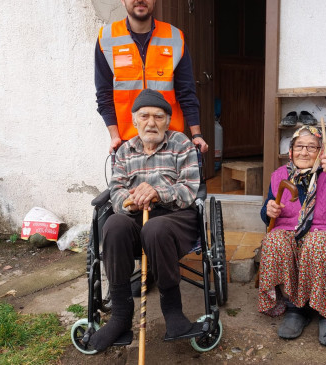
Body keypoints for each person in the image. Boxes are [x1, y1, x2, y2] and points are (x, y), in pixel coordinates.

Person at [89, 89, 201, 351]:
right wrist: (128, 202)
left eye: (159, 117)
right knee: (114, 225)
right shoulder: (126, 151)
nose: (151, 122)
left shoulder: (181, 144)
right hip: (135, 215)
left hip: (174, 216)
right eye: (145, 116)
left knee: (155, 228)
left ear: (167, 120)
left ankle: (173, 314)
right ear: (135, 119)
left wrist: (158, 192)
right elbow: (116, 191)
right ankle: (120, 316)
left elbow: (189, 190)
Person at [258, 126, 326, 347]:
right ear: (290, 150)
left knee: (315, 244)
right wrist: (268, 210)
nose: (304, 152)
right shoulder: (279, 175)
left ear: (320, 151)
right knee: (274, 240)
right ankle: (296, 309)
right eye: (299, 146)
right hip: (289, 232)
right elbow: (268, 215)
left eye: (311, 147)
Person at [95, 0, 208, 154]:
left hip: (170, 142)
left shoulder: (175, 37)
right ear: (122, 1)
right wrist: (115, 137)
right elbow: (104, 94)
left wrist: (197, 134)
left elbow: (186, 91)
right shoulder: (106, 38)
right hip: (127, 144)